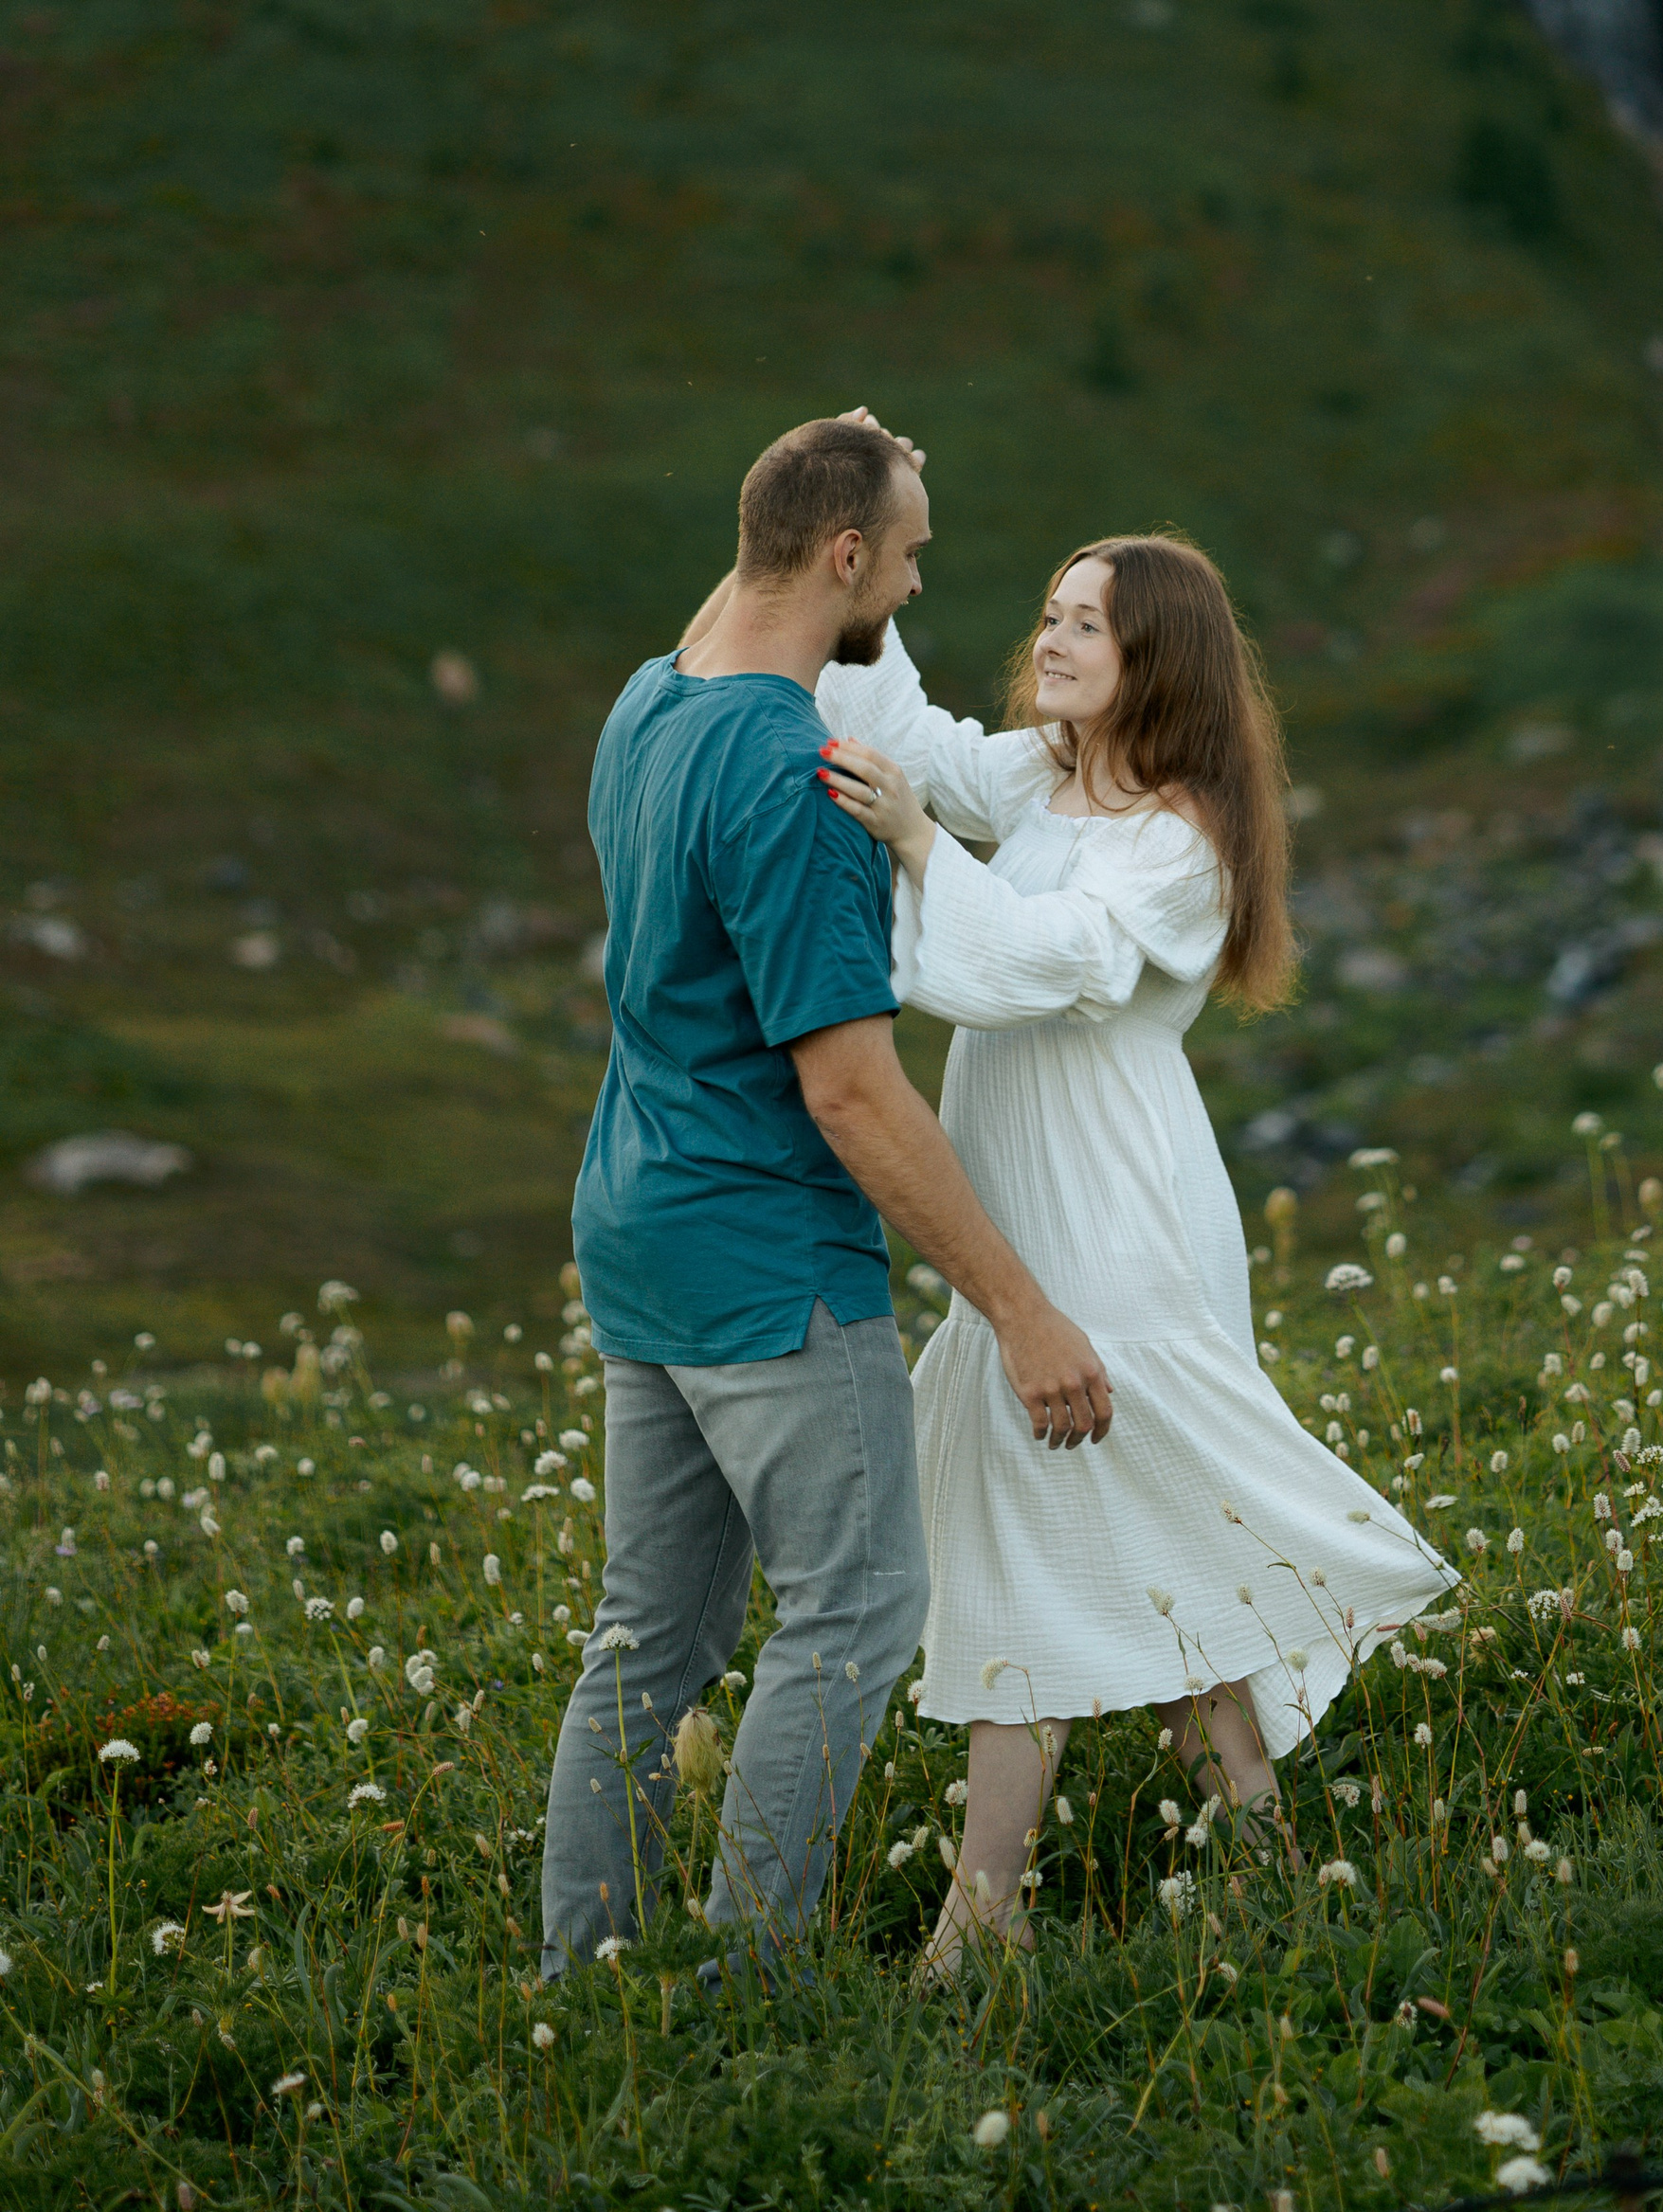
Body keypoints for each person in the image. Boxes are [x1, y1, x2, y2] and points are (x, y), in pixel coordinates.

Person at [815, 531, 1455, 1976]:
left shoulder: (1183, 840)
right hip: (1039, 1232)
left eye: (1086, 625)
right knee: (1168, 1550)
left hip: (1116, 1230)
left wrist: (921, 845)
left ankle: (976, 1929)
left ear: (1154, 656)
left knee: (1045, 1550)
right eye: (1049, 614)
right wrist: (854, 585)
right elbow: (903, 733)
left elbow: (1050, 961)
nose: (1051, 641)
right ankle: (1266, 1864)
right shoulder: (1043, 776)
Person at [540, 412, 1112, 1981]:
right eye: (909, 557)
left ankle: (581, 1980)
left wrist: (838, 454)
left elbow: (756, 581)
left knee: (648, 1644)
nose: (915, 590)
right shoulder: (798, 780)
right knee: (857, 1609)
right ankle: (750, 1983)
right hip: (768, 1260)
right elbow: (852, 1090)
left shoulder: (650, 705)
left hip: (636, 1233)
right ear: (847, 558)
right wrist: (1021, 1312)